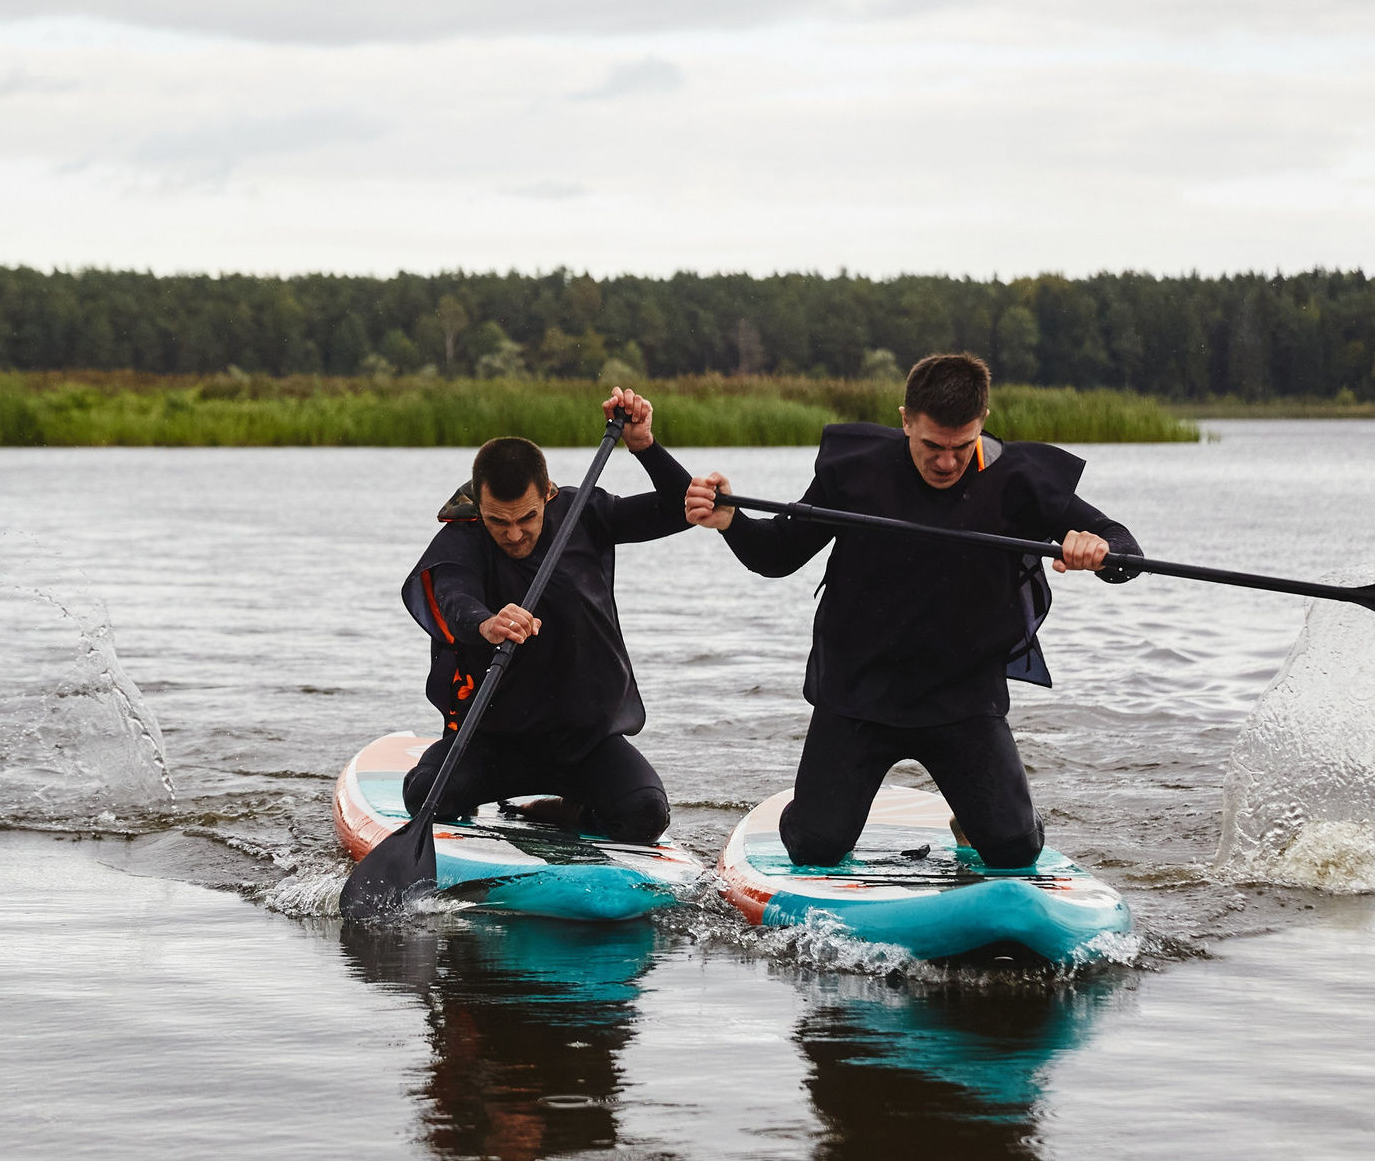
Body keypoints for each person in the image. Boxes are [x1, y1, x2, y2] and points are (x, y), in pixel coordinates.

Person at [683, 352, 1140, 869]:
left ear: (982, 423)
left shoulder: (1017, 478)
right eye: (931, 446)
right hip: (858, 692)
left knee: (1014, 850)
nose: (946, 462)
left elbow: (1127, 549)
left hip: (962, 696)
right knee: (817, 847)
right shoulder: (854, 470)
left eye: (961, 447)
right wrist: (731, 521)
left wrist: (1101, 555)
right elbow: (779, 554)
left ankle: (978, 817)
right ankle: (810, 808)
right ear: (905, 420)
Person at [400, 388, 696, 843]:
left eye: (527, 518)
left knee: (645, 815)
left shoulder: (584, 512)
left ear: (548, 494)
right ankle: (484, 809)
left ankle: (568, 814)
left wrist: (645, 446)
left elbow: (683, 508)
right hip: (492, 740)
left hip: (583, 742)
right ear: (479, 505)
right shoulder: (463, 538)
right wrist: (487, 623)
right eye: (499, 521)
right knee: (425, 797)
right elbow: (453, 596)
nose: (514, 534)